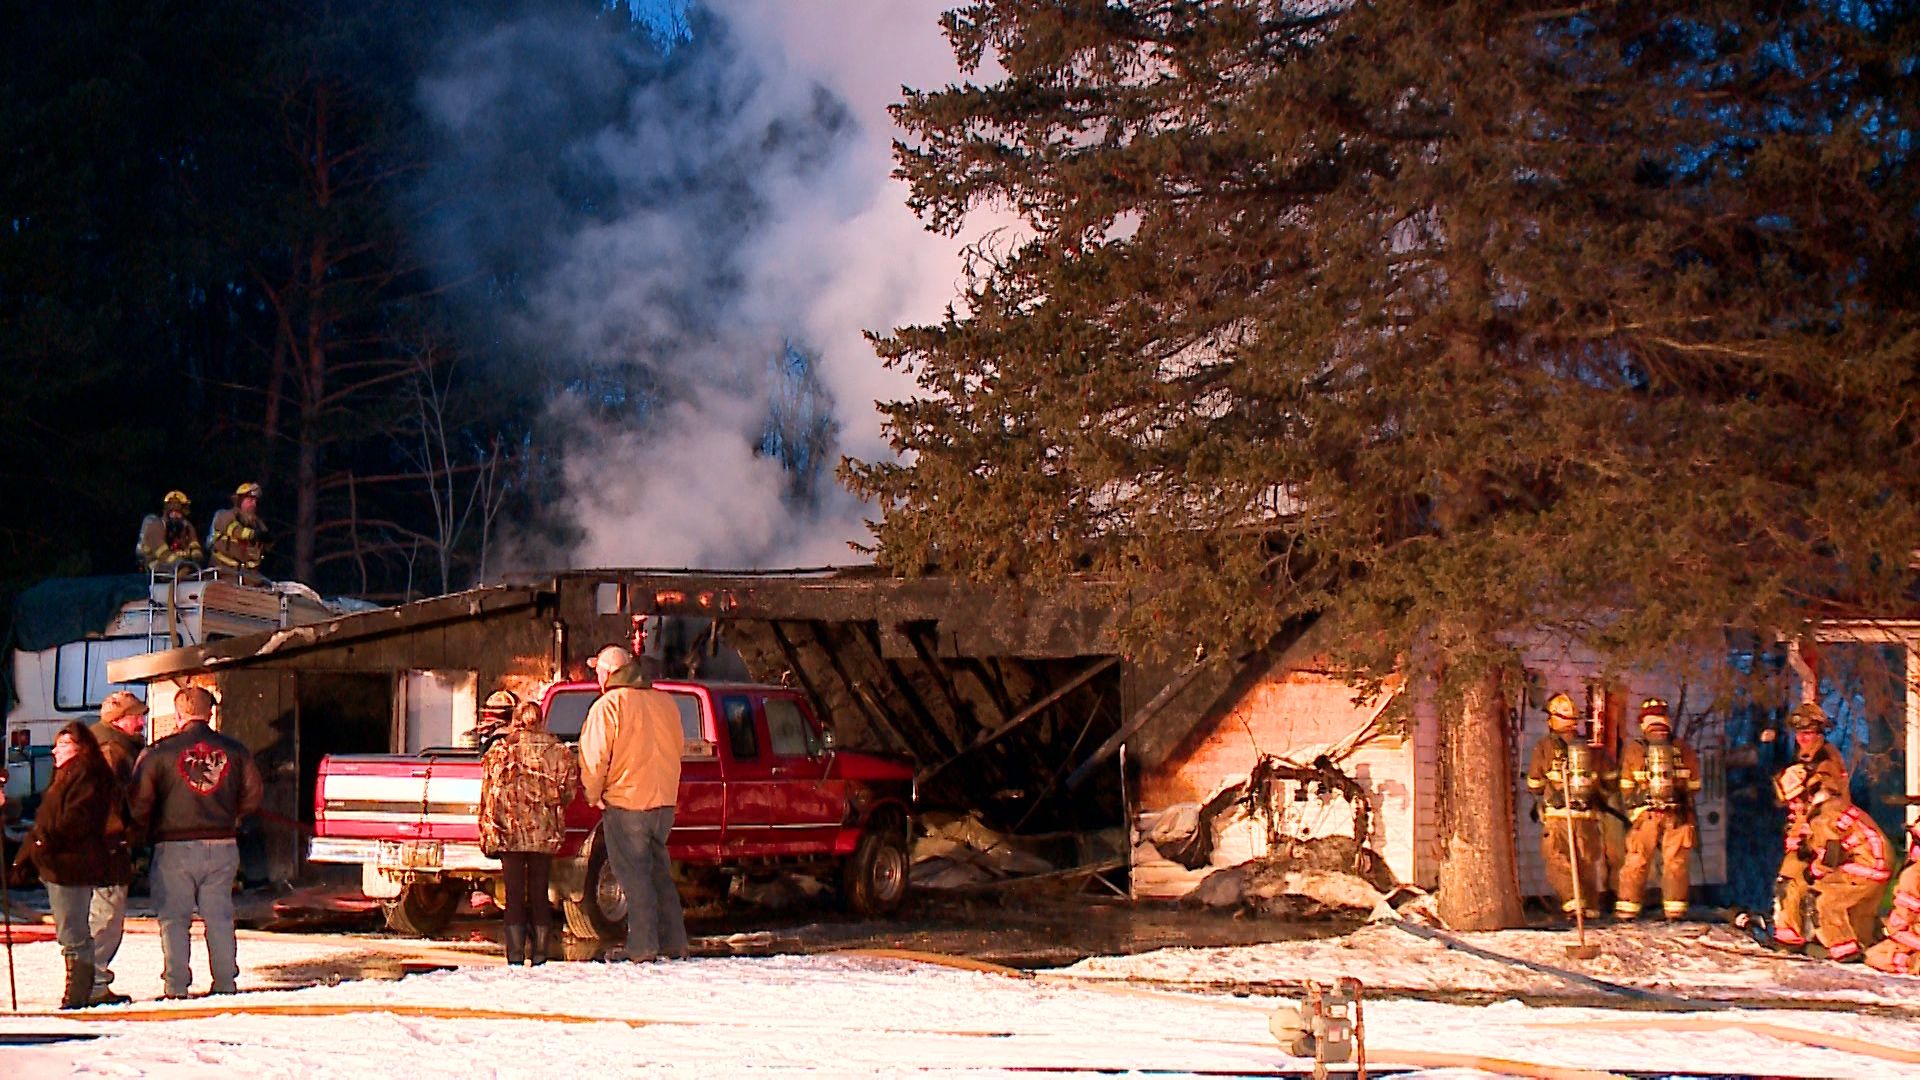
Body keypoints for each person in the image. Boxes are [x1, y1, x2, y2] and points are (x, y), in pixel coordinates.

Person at [128, 686, 263, 998]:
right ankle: (225, 983)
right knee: (219, 917)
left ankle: (176, 987)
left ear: (178, 715)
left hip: (173, 845)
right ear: (210, 713)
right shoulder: (236, 750)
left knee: (174, 919)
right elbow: (253, 794)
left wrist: (142, 833)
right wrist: (232, 817)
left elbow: (139, 802)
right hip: (222, 843)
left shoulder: (158, 752)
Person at [578, 643, 688, 961]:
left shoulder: (608, 706)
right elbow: (678, 747)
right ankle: (674, 941)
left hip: (627, 802)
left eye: (598, 671)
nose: (596, 677)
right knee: (658, 874)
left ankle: (642, 946)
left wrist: (592, 794)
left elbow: (594, 758)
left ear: (610, 672)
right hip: (663, 803)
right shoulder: (665, 702)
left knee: (633, 875)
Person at [11, 722, 119, 1008]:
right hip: (60, 862)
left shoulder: (87, 776)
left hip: (72, 864)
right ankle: (77, 993)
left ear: (79, 747)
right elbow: (46, 819)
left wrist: (44, 843)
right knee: (70, 931)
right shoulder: (66, 775)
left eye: (63, 744)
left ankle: (77, 995)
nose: (55, 750)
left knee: (73, 933)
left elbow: (75, 820)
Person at [479, 699, 580, 966]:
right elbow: (569, 793)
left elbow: (488, 794)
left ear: (516, 719)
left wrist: (488, 830)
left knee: (513, 895)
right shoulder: (559, 752)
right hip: (543, 833)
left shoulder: (499, 751)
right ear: (541, 720)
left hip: (508, 832)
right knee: (539, 893)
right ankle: (539, 955)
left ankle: (513, 956)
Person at [1771, 702, 1852, 951]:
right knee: (1790, 881)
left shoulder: (1827, 761)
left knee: (1803, 882)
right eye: (1798, 734)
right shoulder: (1808, 759)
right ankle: (1790, 936)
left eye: (1807, 733)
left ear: (1818, 733)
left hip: (1824, 835)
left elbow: (1827, 801)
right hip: (1807, 833)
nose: (1802, 739)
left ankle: (1815, 939)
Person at [1613, 698, 1702, 921]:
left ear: (1643, 723)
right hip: (1678, 814)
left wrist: (1637, 808)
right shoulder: (1683, 748)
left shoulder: (1634, 750)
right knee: (1676, 863)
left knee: (1636, 860)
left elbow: (1625, 787)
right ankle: (1675, 913)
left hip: (1646, 815)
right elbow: (1695, 786)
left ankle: (1627, 911)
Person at [1525, 692, 1611, 919]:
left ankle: (1574, 905)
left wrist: (1537, 800)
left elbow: (1534, 781)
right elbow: (1610, 780)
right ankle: (1590, 909)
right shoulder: (1592, 749)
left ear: (1555, 719)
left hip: (1558, 816)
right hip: (1588, 817)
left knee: (1557, 857)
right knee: (1586, 863)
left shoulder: (1544, 746)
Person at [86, 690, 149, 1005]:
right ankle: (94, 983)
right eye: (136, 715)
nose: (142, 721)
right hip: (106, 846)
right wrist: (123, 836)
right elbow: (110, 804)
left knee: (96, 914)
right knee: (106, 916)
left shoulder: (96, 744)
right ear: (118, 720)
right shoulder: (111, 751)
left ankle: (89, 980)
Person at [1799, 784, 1891, 963]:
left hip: (1864, 869)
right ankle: (1863, 942)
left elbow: (1831, 854)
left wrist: (1814, 871)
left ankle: (1843, 949)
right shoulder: (1841, 807)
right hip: (1881, 866)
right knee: (1859, 911)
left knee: (1825, 900)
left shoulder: (1823, 817)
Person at [1864, 804, 1920, 974]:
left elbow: (1904, 916)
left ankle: (1912, 963)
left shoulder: (1913, 874)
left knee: (1875, 956)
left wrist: (1890, 930)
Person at [207, 482, 268, 574]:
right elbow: (235, 530)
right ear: (239, 501)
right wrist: (253, 534)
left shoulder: (258, 523)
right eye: (250, 501)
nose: (253, 504)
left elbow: (265, 540)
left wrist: (267, 539)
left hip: (249, 576)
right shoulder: (224, 516)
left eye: (255, 501)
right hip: (223, 572)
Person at [137, 490, 203, 571]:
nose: (175, 515)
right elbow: (162, 554)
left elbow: (195, 546)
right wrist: (180, 564)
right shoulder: (156, 526)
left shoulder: (187, 527)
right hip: (158, 568)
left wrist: (196, 559)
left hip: (182, 567)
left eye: (178, 512)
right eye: (172, 512)